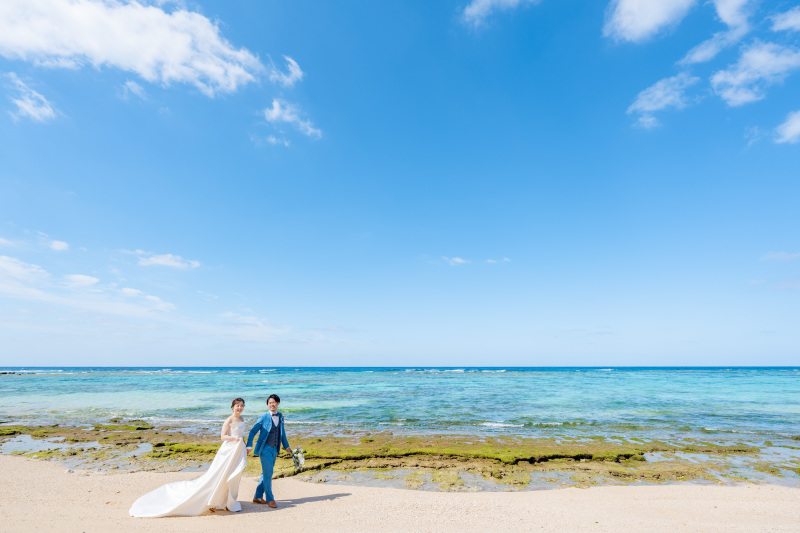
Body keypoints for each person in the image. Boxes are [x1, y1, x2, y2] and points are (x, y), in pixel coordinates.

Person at [129, 398, 248, 517]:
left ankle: (230, 502)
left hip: (238, 449)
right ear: (232, 407)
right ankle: (215, 501)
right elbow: (223, 436)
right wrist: (233, 439)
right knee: (220, 474)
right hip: (228, 451)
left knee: (234, 475)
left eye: (241, 405)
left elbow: (241, 435)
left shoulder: (242, 419)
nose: (239, 408)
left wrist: (245, 446)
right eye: (237, 405)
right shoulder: (229, 419)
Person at [246, 393, 292, 508]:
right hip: (265, 448)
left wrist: (286, 446)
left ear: (278, 403)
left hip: (275, 449)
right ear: (268, 404)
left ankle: (257, 497)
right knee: (269, 473)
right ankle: (270, 499)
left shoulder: (280, 416)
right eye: (270, 402)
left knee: (266, 473)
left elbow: (282, 433)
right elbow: (252, 431)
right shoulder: (263, 417)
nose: (272, 404)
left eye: (274, 402)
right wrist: (249, 445)